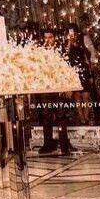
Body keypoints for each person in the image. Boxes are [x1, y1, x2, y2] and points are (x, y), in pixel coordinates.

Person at [37, 27, 74, 156]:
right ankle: (48, 144)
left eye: (50, 37)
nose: (48, 40)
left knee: (61, 117)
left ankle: (64, 146)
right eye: (46, 37)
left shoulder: (60, 51)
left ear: (54, 38)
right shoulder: (40, 52)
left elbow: (67, 68)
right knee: (46, 117)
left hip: (59, 89)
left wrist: (67, 87)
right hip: (46, 89)